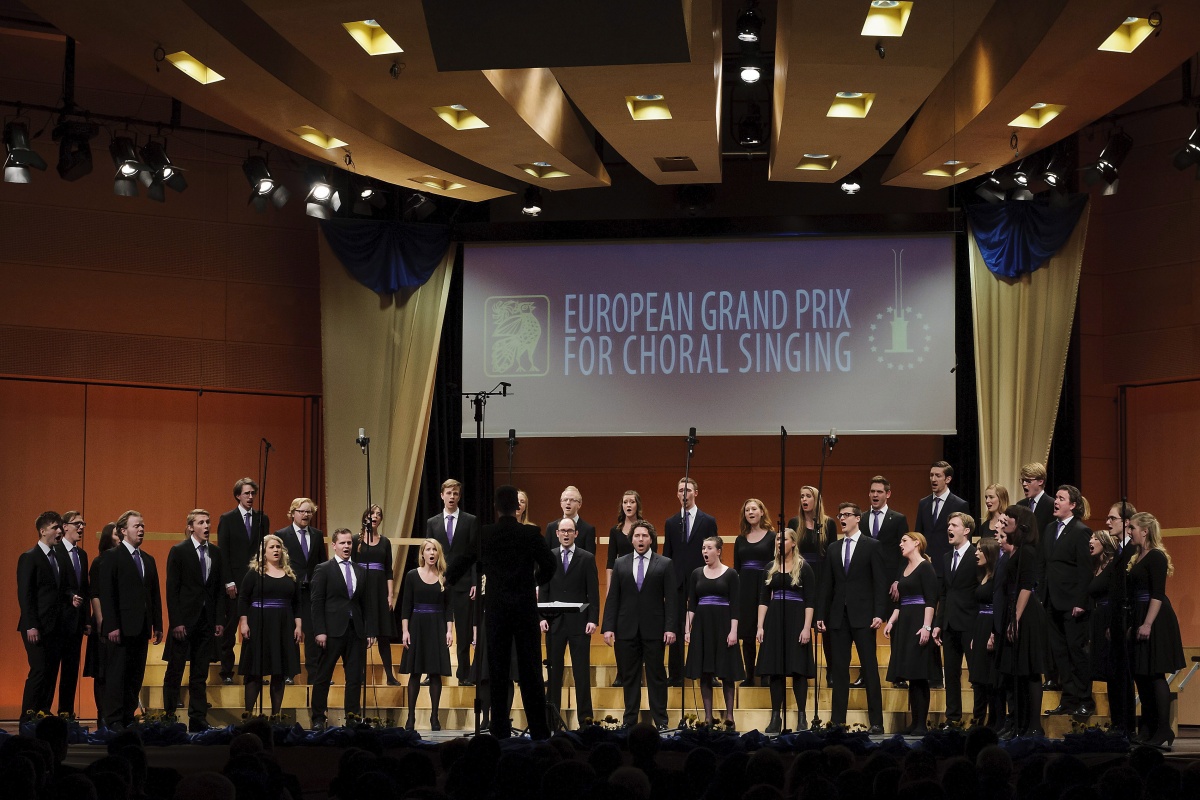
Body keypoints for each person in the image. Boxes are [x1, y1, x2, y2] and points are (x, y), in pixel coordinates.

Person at [446, 484, 556, 739]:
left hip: (497, 610)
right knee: (530, 671)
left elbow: (464, 559)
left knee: (497, 670)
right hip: (524, 609)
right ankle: (540, 732)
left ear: (496, 507)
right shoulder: (530, 534)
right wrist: (534, 581)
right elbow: (550, 564)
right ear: (517, 507)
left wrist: (449, 577)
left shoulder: (486, 534)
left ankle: (499, 730)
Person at [815, 503, 886, 734]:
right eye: (840, 515)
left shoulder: (871, 545)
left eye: (847, 515)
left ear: (858, 518)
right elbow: (826, 584)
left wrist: (879, 613)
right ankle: (837, 722)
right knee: (839, 670)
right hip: (838, 617)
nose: (842, 519)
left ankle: (877, 722)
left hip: (864, 616)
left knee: (870, 668)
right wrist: (821, 614)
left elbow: (880, 582)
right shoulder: (833, 548)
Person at [601, 520, 678, 730]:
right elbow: (613, 597)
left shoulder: (664, 563)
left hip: (655, 628)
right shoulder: (620, 563)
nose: (641, 539)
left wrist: (670, 627)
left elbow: (672, 599)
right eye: (637, 536)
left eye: (644, 536)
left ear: (651, 539)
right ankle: (629, 720)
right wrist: (608, 627)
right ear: (631, 539)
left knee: (657, 676)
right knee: (629, 676)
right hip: (626, 628)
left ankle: (661, 721)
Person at [98, 510, 163, 731]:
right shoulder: (112, 556)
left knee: (135, 676)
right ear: (123, 531)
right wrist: (111, 625)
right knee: (117, 675)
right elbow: (107, 594)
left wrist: (158, 624)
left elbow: (154, 595)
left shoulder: (148, 559)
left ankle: (128, 716)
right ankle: (114, 719)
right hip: (120, 628)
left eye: (142, 525)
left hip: (141, 627)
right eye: (137, 526)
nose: (141, 529)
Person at [163, 510, 227, 732]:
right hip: (184, 621)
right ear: (191, 527)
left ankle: (198, 718)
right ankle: (169, 716)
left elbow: (218, 590)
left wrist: (219, 619)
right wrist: (176, 621)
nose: (207, 526)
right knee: (175, 669)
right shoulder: (179, 551)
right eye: (201, 522)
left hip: (206, 621)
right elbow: (172, 589)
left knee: (200, 672)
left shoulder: (216, 553)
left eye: (208, 522)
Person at [1127, 512, 1186, 750]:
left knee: (1154, 674)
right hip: (1140, 614)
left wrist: (1148, 623)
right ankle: (1148, 727)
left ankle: (1163, 728)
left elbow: (1158, 594)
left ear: (1145, 531)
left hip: (1155, 617)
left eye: (1132, 527)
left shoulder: (1156, 556)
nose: (1129, 531)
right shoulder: (1137, 556)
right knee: (1141, 674)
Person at [309, 528, 376, 730]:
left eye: (349, 543)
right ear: (334, 545)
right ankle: (318, 717)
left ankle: (352, 717)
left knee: (355, 677)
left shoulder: (360, 570)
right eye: (342, 543)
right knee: (323, 676)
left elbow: (366, 603)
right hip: (331, 631)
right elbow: (316, 602)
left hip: (355, 631)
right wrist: (320, 630)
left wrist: (369, 630)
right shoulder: (323, 569)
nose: (346, 546)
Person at [1040, 485, 1094, 718]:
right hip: (1051, 601)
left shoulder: (1081, 531)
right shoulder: (1049, 528)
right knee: (1059, 653)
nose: (1056, 501)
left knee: (1076, 652)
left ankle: (1085, 700)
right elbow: (1045, 564)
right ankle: (1069, 700)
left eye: (1061, 498)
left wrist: (1081, 601)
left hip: (1072, 603)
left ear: (1072, 505)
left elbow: (1085, 570)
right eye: (1056, 497)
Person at [541, 516, 599, 726]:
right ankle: (552, 721)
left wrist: (593, 619)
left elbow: (593, 592)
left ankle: (585, 721)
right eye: (562, 531)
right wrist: (541, 617)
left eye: (570, 531)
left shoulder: (586, 558)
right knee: (554, 673)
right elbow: (544, 589)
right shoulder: (549, 557)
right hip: (554, 623)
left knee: (581, 674)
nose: (566, 534)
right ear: (557, 534)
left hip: (579, 624)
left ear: (576, 534)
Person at [755, 526, 815, 734]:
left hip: (797, 620)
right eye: (777, 539)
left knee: (798, 670)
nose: (779, 543)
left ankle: (802, 716)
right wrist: (760, 626)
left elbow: (810, 600)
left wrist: (807, 628)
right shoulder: (770, 567)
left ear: (794, 542)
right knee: (776, 671)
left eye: (784, 539)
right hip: (774, 620)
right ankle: (775, 717)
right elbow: (763, 599)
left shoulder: (804, 567)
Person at [237, 533, 302, 718]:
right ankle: (248, 715)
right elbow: (243, 598)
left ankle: (275, 716)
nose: (276, 550)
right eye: (271, 547)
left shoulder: (290, 574)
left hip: (283, 626)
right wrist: (244, 623)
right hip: (259, 624)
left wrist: (298, 626)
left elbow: (297, 603)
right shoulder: (254, 573)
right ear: (263, 552)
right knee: (254, 672)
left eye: (278, 547)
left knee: (279, 672)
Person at [996, 505, 1046, 739]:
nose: (1005, 520)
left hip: (1025, 614)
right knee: (1016, 672)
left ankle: (1034, 725)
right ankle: (1020, 723)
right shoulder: (1015, 550)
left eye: (1010, 517)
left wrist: (1015, 619)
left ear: (1021, 523)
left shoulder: (1028, 551)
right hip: (1013, 609)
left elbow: (1026, 586)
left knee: (1030, 670)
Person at [684, 536, 743, 728]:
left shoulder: (731, 574)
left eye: (709, 548)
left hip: (723, 626)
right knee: (705, 672)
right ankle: (708, 717)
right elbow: (692, 604)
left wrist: (733, 631)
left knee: (727, 672)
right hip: (703, 627)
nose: (705, 551)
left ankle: (729, 716)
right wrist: (687, 628)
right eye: (703, 548)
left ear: (718, 551)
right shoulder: (696, 573)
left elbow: (736, 605)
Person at [663, 477, 717, 686]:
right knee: (675, 626)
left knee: (705, 625)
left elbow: (714, 552)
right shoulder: (671, 522)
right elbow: (667, 555)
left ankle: (709, 672)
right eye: (680, 490)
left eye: (687, 490)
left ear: (696, 493)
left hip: (703, 580)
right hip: (677, 582)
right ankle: (676, 674)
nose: (683, 494)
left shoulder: (708, 521)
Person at [884, 532, 939, 736]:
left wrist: (927, 627)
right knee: (911, 676)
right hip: (905, 624)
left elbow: (931, 600)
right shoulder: (904, 569)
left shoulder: (925, 567)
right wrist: (891, 622)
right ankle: (914, 722)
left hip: (919, 622)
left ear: (917, 543)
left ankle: (921, 724)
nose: (900, 544)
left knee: (919, 675)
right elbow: (900, 603)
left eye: (904, 541)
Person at [426, 479, 479, 685]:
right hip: (439, 581)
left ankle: (464, 674)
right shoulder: (433, 522)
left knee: (464, 631)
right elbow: (428, 552)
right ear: (442, 495)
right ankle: (433, 672)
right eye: (448, 493)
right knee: (435, 628)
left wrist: (474, 581)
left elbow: (473, 553)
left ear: (459, 496)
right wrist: (430, 579)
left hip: (464, 582)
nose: (452, 497)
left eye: (455, 493)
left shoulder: (470, 520)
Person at [216, 478, 269, 685]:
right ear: (238, 495)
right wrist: (228, 581)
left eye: (253, 493)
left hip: (256, 581)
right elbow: (223, 553)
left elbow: (264, 551)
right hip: (234, 583)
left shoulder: (262, 518)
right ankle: (226, 671)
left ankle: (254, 672)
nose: (250, 497)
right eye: (246, 493)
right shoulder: (227, 519)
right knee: (230, 630)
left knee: (256, 630)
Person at [933, 512, 981, 727]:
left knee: (976, 674)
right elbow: (944, 593)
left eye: (954, 525)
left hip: (970, 623)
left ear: (967, 530)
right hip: (950, 624)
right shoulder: (946, 557)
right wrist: (938, 624)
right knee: (951, 674)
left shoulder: (976, 555)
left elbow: (981, 591)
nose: (949, 529)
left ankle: (979, 718)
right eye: (948, 525)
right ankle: (953, 718)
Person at [399, 539, 452, 731]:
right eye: (428, 549)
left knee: (435, 674)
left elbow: (449, 607)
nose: (432, 553)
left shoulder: (443, 577)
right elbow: (406, 605)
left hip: (437, 626)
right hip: (417, 626)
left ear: (439, 554)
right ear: (422, 553)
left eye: (435, 550)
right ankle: (411, 717)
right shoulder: (412, 575)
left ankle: (434, 717)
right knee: (415, 673)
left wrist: (449, 631)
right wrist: (405, 631)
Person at [18, 511, 67, 720]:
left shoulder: (58, 558)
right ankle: (27, 717)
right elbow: (25, 594)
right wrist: (31, 625)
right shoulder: (30, 557)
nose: (60, 531)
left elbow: (57, 589)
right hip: (36, 626)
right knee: (38, 670)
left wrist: (71, 597)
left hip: (55, 626)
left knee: (51, 671)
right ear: (43, 530)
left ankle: (43, 713)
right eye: (55, 527)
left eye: (60, 527)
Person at [278, 497, 324, 682]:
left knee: (312, 633)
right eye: (302, 511)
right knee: (291, 632)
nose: (306, 515)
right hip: (291, 590)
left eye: (309, 512)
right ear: (293, 513)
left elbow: (322, 563)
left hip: (312, 591)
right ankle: (289, 673)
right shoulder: (282, 534)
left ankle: (315, 674)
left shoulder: (317, 535)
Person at [733, 498, 776, 687]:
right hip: (745, 589)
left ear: (762, 512)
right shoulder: (740, 539)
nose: (750, 512)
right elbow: (737, 568)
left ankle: (765, 673)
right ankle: (749, 675)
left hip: (765, 585)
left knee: (766, 630)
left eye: (754, 509)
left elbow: (776, 565)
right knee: (748, 633)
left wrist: (773, 589)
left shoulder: (773, 537)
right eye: (747, 510)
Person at [354, 504, 398, 685]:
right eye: (372, 513)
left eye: (379, 514)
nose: (375, 516)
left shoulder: (385, 542)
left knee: (383, 635)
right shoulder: (356, 540)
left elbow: (388, 570)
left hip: (380, 591)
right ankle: (359, 675)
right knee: (360, 634)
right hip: (362, 589)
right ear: (365, 516)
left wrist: (390, 595)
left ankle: (390, 676)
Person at [1105, 501, 1138, 736]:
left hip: (1127, 619)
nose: (1108, 522)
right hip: (1116, 619)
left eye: (1112, 518)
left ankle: (1126, 726)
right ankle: (1117, 723)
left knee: (1125, 674)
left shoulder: (1132, 550)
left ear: (1126, 522)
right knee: (1114, 673)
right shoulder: (1118, 549)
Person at [83, 523, 120, 726]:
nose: (120, 536)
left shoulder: (124, 560)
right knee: (102, 672)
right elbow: (94, 594)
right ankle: (102, 716)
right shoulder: (100, 561)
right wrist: (100, 622)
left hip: (120, 623)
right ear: (108, 537)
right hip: (104, 622)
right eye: (116, 534)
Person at [607, 490, 644, 688]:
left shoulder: (644, 528)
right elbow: (610, 562)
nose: (628, 505)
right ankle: (621, 672)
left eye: (632, 502)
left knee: (640, 630)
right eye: (625, 502)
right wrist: (609, 589)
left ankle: (639, 672)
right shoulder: (615, 531)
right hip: (621, 584)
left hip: (640, 584)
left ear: (637, 505)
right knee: (621, 631)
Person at [56, 511, 90, 718]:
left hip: (76, 623)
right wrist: (69, 597)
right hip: (58, 621)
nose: (81, 527)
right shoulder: (55, 551)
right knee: (50, 671)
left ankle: (66, 712)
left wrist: (86, 619)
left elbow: (84, 589)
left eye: (83, 523)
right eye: (77, 523)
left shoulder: (82, 555)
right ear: (65, 526)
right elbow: (54, 586)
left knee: (70, 670)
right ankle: (40, 714)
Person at [968, 537, 1002, 728]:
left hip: (991, 627)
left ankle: (995, 720)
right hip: (980, 626)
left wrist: (993, 633)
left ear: (990, 552)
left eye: (980, 550)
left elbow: (999, 606)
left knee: (991, 678)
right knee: (979, 677)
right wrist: (975, 635)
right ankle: (978, 719)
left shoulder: (997, 577)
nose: (976, 553)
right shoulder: (983, 575)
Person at [914, 461, 969, 576]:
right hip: (925, 565)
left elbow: (964, 538)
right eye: (931, 475)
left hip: (947, 566)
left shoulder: (959, 505)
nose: (933, 479)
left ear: (947, 479)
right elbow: (918, 534)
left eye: (938, 476)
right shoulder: (923, 503)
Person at [1087, 529, 1119, 724]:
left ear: (1105, 543)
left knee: (1114, 671)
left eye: (1095, 538)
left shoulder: (1113, 564)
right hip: (1097, 619)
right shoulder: (1095, 566)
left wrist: (1111, 623)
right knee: (1104, 672)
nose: (1091, 541)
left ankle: (1119, 721)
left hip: (1108, 617)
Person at [543, 485, 597, 553]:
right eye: (565, 500)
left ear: (579, 504)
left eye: (572, 500)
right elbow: (546, 555)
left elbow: (590, 557)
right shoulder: (551, 527)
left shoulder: (588, 530)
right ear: (561, 503)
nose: (568, 503)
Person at [1019, 463, 1053, 532]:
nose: (1024, 484)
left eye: (1028, 481)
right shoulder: (1020, 505)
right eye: (1023, 480)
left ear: (1040, 481)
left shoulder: (1051, 505)